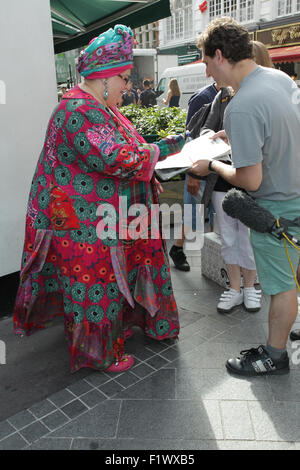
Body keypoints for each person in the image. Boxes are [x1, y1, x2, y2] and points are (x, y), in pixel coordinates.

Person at [13, 24, 185, 374]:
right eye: (123, 77)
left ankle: (133, 326)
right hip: (80, 220)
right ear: (105, 77)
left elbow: (128, 150)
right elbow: (117, 158)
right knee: (94, 283)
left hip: (105, 213)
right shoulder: (78, 110)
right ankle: (98, 353)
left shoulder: (101, 107)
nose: (128, 86)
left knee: (112, 276)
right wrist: (172, 146)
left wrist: (164, 146)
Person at [191, 17, 300, 376]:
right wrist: (234, 136)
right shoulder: (278, 78)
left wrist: (213, 166)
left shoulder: (241, 105)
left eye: (206, 63)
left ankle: (275, 355)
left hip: (277, 208)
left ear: (220, 56)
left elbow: (250, 180)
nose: (207, 73)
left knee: (282, 288)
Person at [169, 82, 218, 271]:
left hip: (219, 168)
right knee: (193, 216)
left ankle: (217, 259)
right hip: (200, 169)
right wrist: (193, 174)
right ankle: (177, 248)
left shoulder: (230, 93)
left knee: (217, 216)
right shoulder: (203, 97)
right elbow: (190, 138)